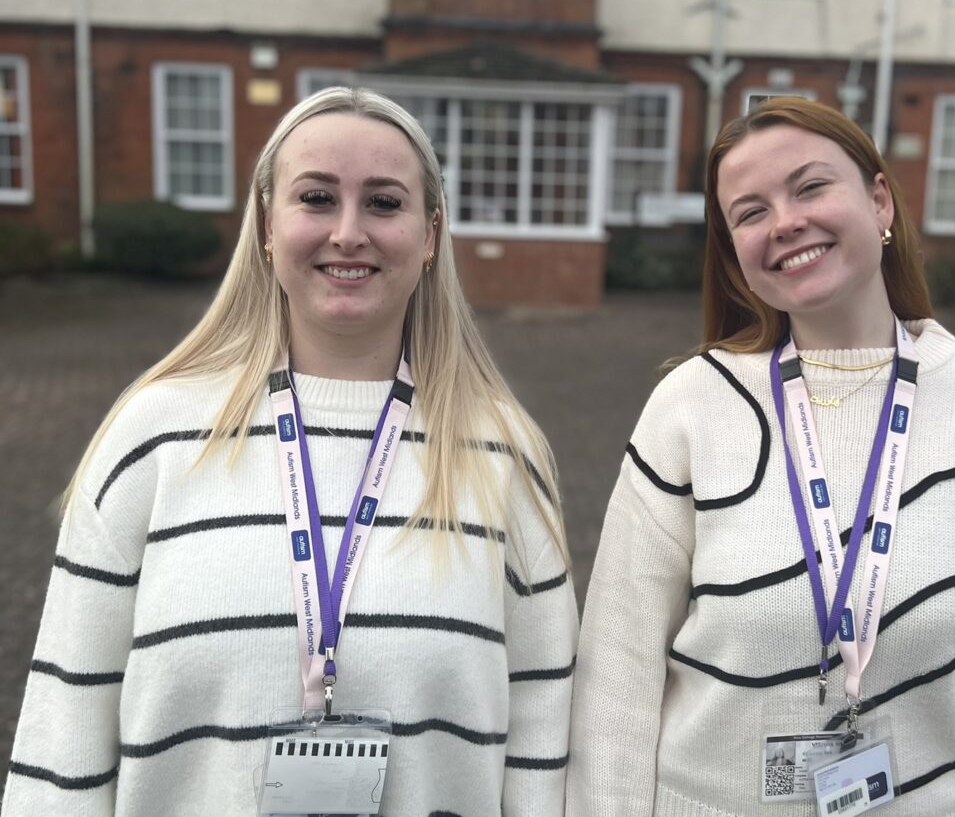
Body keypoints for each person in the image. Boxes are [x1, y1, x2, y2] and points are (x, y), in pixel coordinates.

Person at [3, 87, 577, 816]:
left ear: (430, 235)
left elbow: (544, 732)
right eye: (315, 197)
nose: (347, 232)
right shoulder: (153, 437)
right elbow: (64, 729)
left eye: (383, 202)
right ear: (268, 225)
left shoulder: (502, 452)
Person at [567, 97, 955, 816]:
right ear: (734, 253)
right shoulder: (691, 405)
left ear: (880, 201)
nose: (784, 221)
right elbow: (617, 680)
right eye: (749, 212)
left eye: (811, 187)